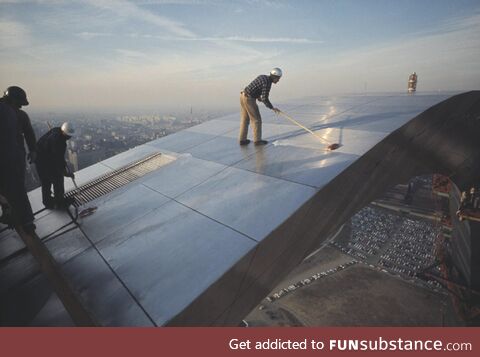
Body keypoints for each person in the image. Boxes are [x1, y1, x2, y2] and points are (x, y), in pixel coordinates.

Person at [0, 97, 36, 232]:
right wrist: (32, 151)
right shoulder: (19, 115)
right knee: (16, 189)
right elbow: (29, 134)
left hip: (10, 158)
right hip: (15, 157)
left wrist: (33, 150)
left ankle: (17, 217)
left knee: (9, 188)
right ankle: (23, 219)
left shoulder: (12, 113)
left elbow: (29, 134)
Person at [36, 122, 75, 209]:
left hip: (39, 159)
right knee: (58, 179)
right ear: (65, 133)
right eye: (69, 136)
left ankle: (47, 202)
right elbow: (59, 161)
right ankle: (60, 203)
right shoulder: (59, 142)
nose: (70, 137)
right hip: (45, 161)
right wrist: (66, 173)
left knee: (46, 182)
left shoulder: (56, 130)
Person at [239, 68, 282, 146]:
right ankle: (257, 141)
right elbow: (265, 98)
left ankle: (242, 140)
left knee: (245, 119)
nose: (278, 80)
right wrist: (272, 108)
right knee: (256, 120)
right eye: (278, 78)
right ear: (274, 77)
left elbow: (255, 88)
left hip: (243, 96)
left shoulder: (263, 77)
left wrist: (258, 97)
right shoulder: (267, 83)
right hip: (249, 99)